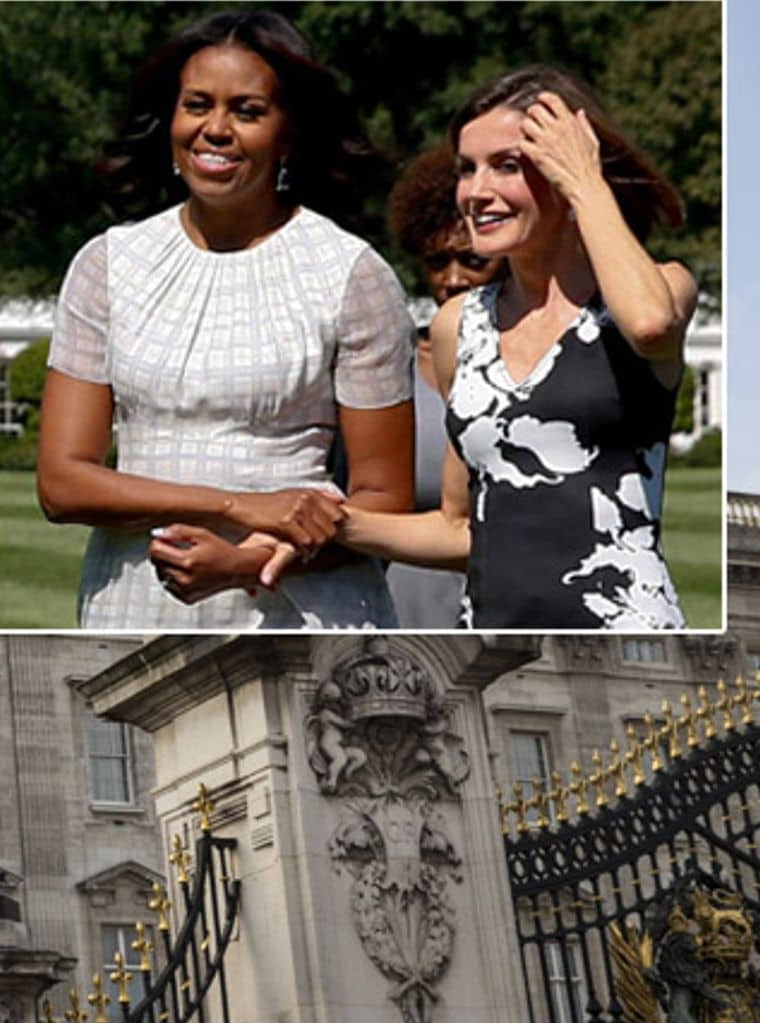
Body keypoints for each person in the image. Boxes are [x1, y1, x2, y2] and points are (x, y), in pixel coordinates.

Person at [35, 10, 413, 629]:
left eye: (247, 111)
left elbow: (385, 500)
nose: (216, 129)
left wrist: (247, 561)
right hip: (136, 604)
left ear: (288, 133)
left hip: (302, 609)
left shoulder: (354, 274)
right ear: (172, 119)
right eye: (198, 105)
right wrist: (241, 506)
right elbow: (62, 484)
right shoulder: (107, 264)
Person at [335, 66, 693, 628]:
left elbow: (650, 325)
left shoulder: (660, 288)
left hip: (625, 637)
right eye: (467, 170)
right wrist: (329, 523)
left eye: (506, 165)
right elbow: (459, 527)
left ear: (567, 164)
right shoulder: (460, 326)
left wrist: (586, 183)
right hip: (489, 643)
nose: (476, 193)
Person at [382, 146, 503, 627]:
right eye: (437, 262)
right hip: (412, 606)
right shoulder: (388, 369)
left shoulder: (551, 370)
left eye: (472, 261)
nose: (452, 280)